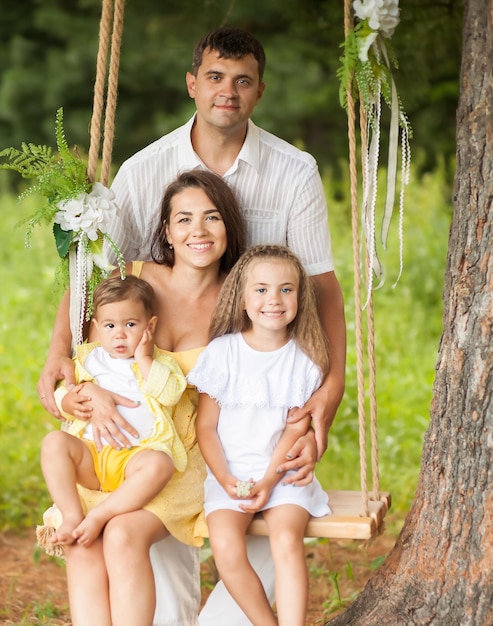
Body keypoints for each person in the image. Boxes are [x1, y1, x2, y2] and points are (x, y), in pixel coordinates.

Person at [36, 26, 346, 626]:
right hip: (130, 442)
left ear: (259, 91)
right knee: (119, 543)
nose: (226, 91)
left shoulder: (288, 184)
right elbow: (92, 279)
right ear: (191, 84)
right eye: (213, 76)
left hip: (210, 441)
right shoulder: (144, 173)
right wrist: (70, 366)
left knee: (199, 532)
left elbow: (320, 289)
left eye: (242, 80)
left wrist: (327, 393)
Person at [189, 245, 332, 625]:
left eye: (286, 290)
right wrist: (227, 480)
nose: (274, 299)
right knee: (226, 548)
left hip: (283, 474)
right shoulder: (222, 353)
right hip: (229, 474)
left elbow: (294, 429)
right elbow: (206, 427)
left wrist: (269, 480)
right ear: (242, 299)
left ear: (300, 298)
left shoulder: (304, 359)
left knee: (286, 541)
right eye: (262, 289)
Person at [40, 275, 187, 548]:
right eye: (109, 325)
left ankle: (100, 515)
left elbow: (170, 394)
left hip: (135, 459)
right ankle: (71, 515)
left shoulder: (159, 363)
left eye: (130, 324)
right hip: (91, 456)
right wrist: (69, 401)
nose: (119, 334)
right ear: (96, 327)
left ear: (149, 325)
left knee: (160, 464)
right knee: (53, 443)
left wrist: (144, 359)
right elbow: (65, 392)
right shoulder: (88, 359)